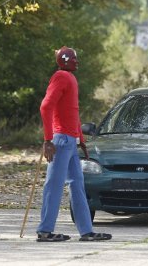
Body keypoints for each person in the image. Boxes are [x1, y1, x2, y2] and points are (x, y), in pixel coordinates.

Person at [36, 46, 112, 242]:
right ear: (66, 60)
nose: (77, 61)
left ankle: (86, 231)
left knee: (77, 185)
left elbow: (73, 112)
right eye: (74, 58)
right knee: (54, 185)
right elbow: (46, 107)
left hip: (70, 141)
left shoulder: (70, 78)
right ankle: (45, 231)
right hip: (60, 140)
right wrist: (47, 139)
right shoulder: (61, 76)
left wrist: (81, 140)